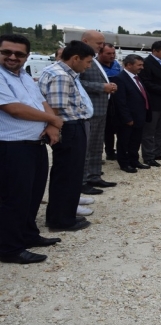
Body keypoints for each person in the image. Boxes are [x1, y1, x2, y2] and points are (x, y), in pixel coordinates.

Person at [0, 34, 63, 264]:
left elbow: (41, 100)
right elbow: (13, 109)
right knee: (13, 199)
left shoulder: (23, 75)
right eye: (7, 52)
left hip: (34, 146)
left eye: (19, 53)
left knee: (32, 195)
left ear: (27, 56)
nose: (13, 57)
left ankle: (28, 235)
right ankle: (9, 248)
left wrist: (50, 124)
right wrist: (54, 120)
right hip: (11, 147)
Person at [39, 40, 96, 232]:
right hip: (68, 127)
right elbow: (55, 109)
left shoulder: (57, 71)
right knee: (67, 174)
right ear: (75, 58)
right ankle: (61, 220)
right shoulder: (61, 76)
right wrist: (54, 127)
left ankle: (64, 214)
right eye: (87, 62)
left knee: (67, 173)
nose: (88, 66)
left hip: (70, 126)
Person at [79, 30, 118, 195]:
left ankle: (94, 175)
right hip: (90, 110)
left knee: (96, 146)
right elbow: (78, 83)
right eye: (99, 43)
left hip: (101, 109)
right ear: (86, 41)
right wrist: (102, 87)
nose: (101, 46)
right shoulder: (79, 59)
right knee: (86, 148)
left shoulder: (93, 60)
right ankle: (82, 181)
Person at [110, 54, 151, 173]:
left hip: (139, 116)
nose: (142, 67)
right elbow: (120, 101)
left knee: (135, 140)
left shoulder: (137, 77)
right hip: (128, 118)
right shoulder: (120, 79)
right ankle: (124, 163)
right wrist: (127, 118)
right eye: (139, 65)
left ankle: (134, 160)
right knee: (124, 140)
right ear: (128, 65)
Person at [99, 43, 122, 161]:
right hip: (102, 100)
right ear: (100, 53)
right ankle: (106, 152)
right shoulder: (96, 66)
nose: (112, 56)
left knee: (117, 125)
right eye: (108, 53)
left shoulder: (117, 65)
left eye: (113, 53)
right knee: (105, 128)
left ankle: (117, 151)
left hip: (116, 99)